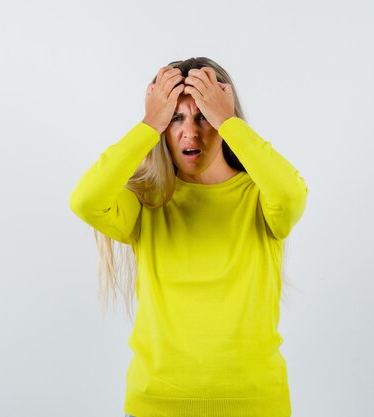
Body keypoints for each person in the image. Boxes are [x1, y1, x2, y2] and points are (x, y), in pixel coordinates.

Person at [69, 57, 309, 417]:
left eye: (204, 117)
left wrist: (228, 121)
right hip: (157, 403)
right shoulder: (146, 200)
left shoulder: (260, 196)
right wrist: (149, 123)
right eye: (175, 118)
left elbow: (292, 195)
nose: (190, 133)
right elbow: (85, 200)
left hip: (255, 404)